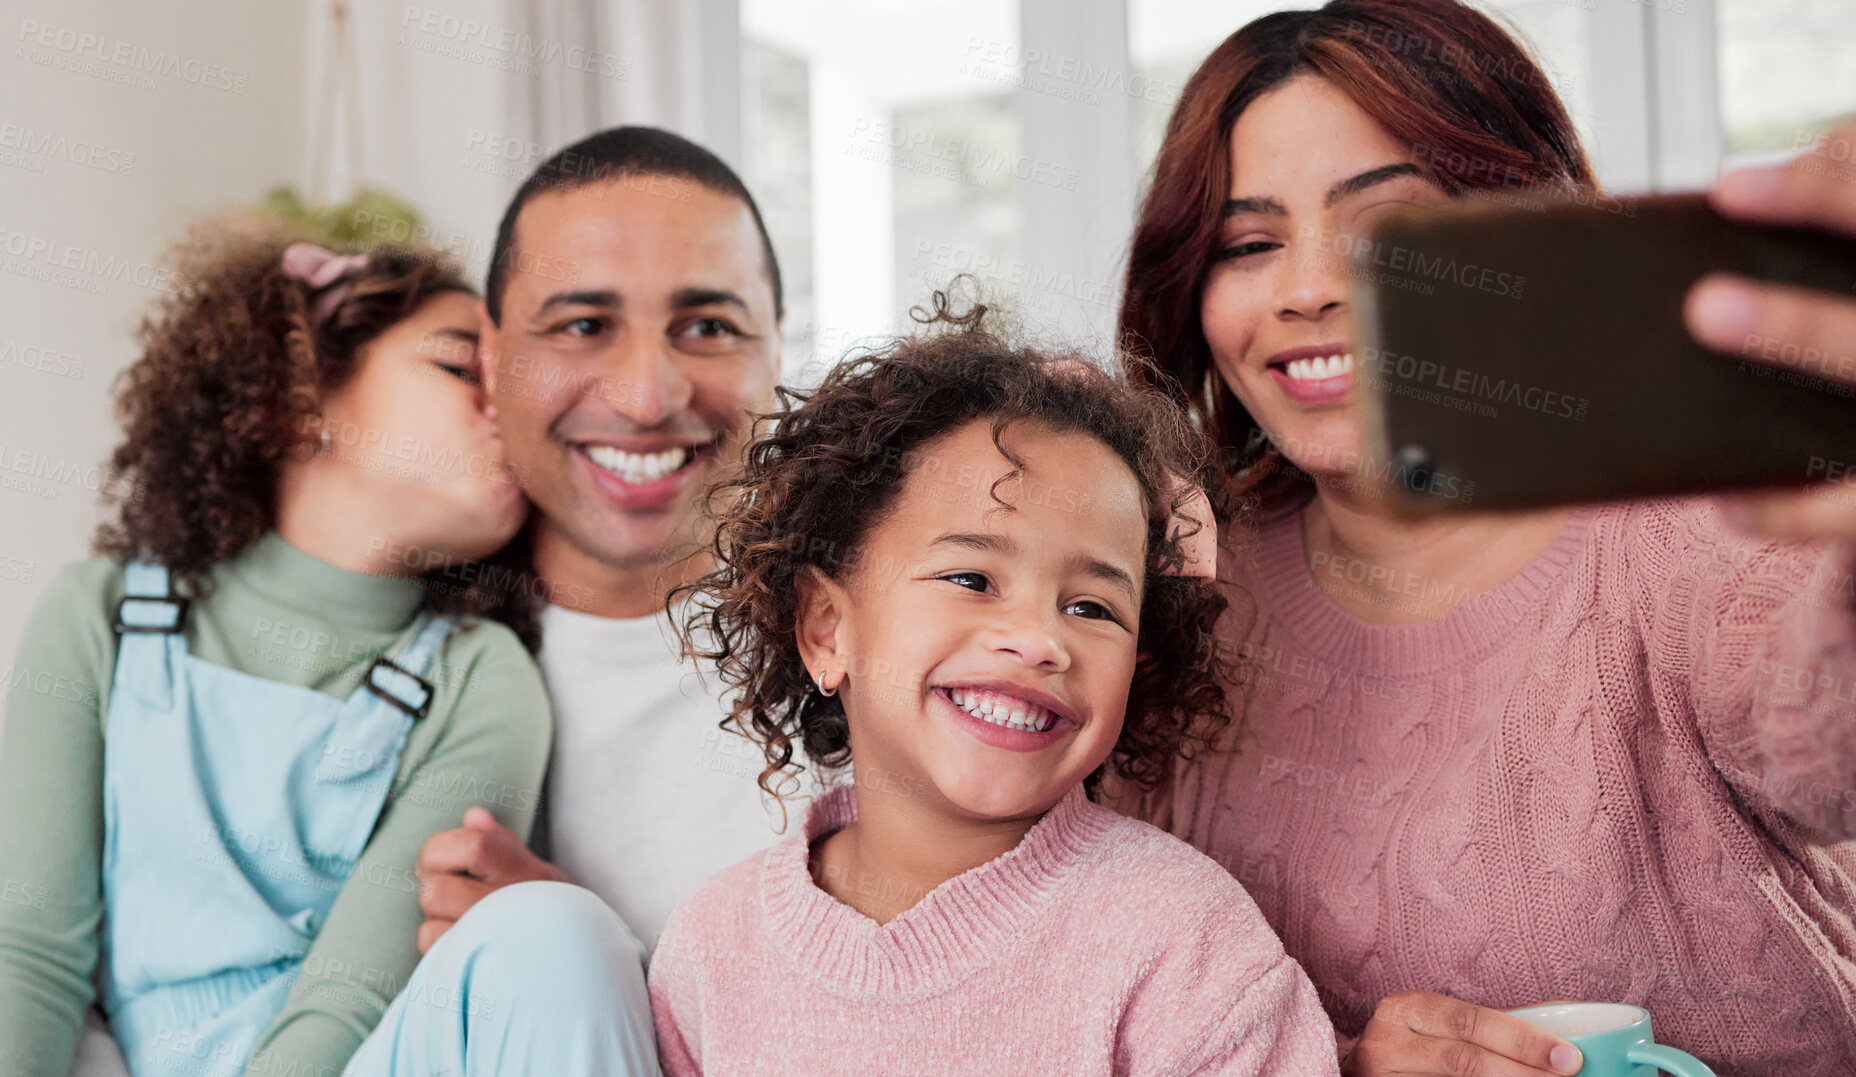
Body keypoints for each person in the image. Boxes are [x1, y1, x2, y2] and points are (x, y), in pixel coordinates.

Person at [1114, 1, 1856, 1075]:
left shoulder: (1696, 533)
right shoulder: (1169, 608)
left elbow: (1821, 730)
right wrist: (1329, 1063)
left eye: (1383, 235)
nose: (1309, 288)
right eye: (1248, 243)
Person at [645, 300, 1339, 1074]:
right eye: (972, 577)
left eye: (1092, 607)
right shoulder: (713, 947)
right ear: (825, 630)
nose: (1040, 640)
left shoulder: (1187, 944)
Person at [0, 222, 551, 1077]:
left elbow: (353, 1001)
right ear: (297, 400)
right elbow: (29, 953)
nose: (507, 410)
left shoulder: (483, 679)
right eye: (457, 366)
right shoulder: (95, 613)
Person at [335, 128, 800, 1074]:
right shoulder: (383, 653)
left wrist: (584, 957)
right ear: (491, 360)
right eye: (583, 325)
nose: (644, 396)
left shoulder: (874, 662)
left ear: (778, 352)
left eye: (707, 326)